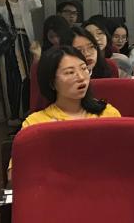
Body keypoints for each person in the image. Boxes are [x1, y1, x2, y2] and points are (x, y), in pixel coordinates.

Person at [11, 46, 121, 179]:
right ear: (52, 83)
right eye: (70, 72)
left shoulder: (108, 114)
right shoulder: (36, 123)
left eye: (84, 69)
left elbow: (123, 161)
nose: (81, 77)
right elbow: (15, 173)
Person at [0, 0, 42, 121]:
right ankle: (13, 115)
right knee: (11, 77)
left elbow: (37, 4)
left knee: (27, 76)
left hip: (25, 41)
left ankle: (26, 111)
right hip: (8, 43)